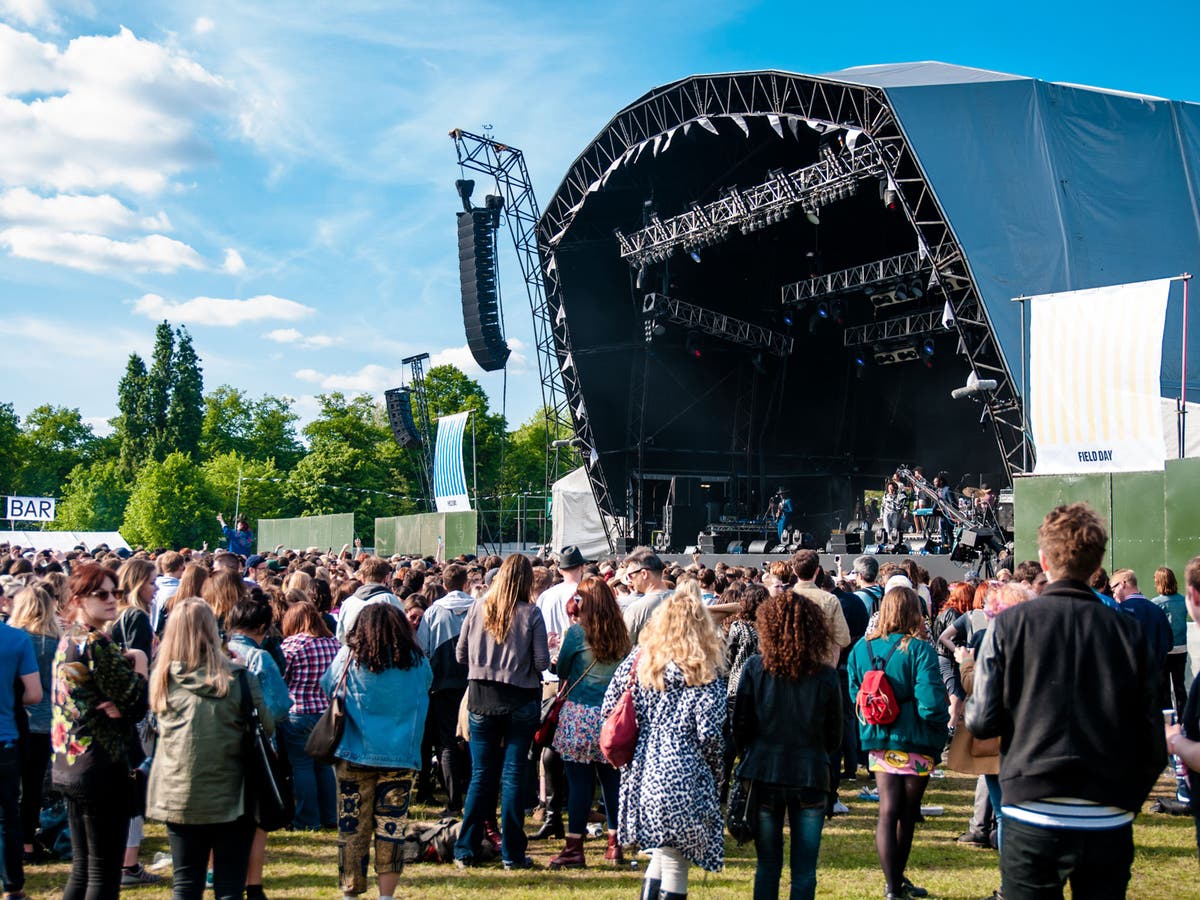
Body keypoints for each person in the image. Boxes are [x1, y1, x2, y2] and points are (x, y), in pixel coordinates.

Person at [967, 503, 1166, 900]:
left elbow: (983, 720)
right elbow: (1152, 737)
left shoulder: (1010, 626)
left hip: (1032, 807)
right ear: (1097, 564)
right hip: (1106, 811)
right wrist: (1125, 801)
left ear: (1044, 560)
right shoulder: (1128, 632)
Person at [602, 587, 727, 900]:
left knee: (660, 854)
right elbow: (710, 733)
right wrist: (716, 772)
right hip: (684, 768)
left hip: (642, 769)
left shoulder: (639, 662)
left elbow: (609, 709)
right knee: (674, 863)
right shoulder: (702, 670)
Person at [146, 598, 272, 900]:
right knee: (229, 886)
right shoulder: (238, 679)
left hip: (179, 792)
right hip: (230, 792)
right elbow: (266, 725)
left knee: (186, 884)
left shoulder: (162, 679)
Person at [733, 589, 841, 900]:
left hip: (766, 771)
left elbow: (740, 724)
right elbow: (834, 734)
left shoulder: (755, 668)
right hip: (809, 774)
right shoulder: (825, 676)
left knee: (768, 865)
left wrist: (750, 752)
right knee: (803, 870)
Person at [52, 563, 149, 900]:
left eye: (115, 593)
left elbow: (124, 701)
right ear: (78, 598)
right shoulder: (96, 643)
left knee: (84, 869)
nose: (111, 600)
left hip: (71, 764)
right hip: (100, 766)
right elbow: (136, 703)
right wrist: (140, 663)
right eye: (102, 594)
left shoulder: (70, 638)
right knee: (103, 873)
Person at [323, 602, 432, 900]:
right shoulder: (417, 661)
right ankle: (386, 895)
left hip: (354, 752)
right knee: (391, 828)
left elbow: (328, 685)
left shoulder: (350, 656)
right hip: (400, 756)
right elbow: (427, 685)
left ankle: (350, 892)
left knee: (351, 827)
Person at [848, 586, 949, 900]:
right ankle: (895, 884)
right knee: (906, 813)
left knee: (887, 811)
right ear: (914, 613)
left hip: (878, 737)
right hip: (915, 738)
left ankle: (894, 885)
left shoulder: (861, 648)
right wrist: (940, 726)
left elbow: (855, 692)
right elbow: (930, 701)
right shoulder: (919, 649)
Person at [453, 554, 549, 869]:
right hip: (520, 699)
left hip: (482, 697)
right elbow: (541, 662)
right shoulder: (531, 613)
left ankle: (465, 848)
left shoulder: (477, 607)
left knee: (481, 775)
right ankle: (512, 853)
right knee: (512, 775)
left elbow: (461, 654)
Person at [547, 575, 631, 870]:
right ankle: (615, 843)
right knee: (612, 782)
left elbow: (562, 670)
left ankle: (574, 847)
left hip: (580, 714)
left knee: (579, 783)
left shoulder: (576, 634)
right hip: (612, 717)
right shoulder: (622, 634)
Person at [533, 545, 588, 841]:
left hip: (551, 677)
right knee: (576, 745)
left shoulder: (546, 596)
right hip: (579, 678)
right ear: (581, 567)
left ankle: (547, 804)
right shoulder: (589, 593)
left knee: (549, 741)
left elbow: (539, 633)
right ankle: (569, 804)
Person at [414, 563, 475, 815]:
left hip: (443, 685)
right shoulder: (478, 608)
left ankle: (454, 801)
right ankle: (473, 796)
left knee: (447, 742)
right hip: (472, 682)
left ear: (444, 584)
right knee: (474, 740)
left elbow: (423, 649)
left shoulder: (433, 612)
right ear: (466, 583)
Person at [279, 601, 340, 830]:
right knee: (323, 765)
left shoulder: (293, 645)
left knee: (302, 766)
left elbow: (282, 677)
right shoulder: (333, 643)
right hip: (326, 712)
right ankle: (329, 815)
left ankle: (307, 818)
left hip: (299, 711)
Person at [2, 587, 43, 900]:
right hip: (5, 736)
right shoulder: (16, 639)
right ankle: (13, 886)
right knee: (7, 815)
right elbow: (34, 694)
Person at [1164, 554, 1200, 860]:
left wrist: (1176, 742)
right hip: (1181, 651)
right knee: (1181, 690)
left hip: (1169, 652)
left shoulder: (1160, 603)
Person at [1151, 566, 1189, 720]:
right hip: (1181, 648)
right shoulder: (1184, 601)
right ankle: (1184, 718)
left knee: (1164, 687)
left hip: (1164, 650)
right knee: (1180, 686)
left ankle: (1169, 720)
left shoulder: (1155, 603)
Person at [621, 547, 674, 646]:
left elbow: (625, 647)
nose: (630, 580)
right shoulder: (687, 600)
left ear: (644, 574)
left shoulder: (635, 609)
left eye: (630, 575)